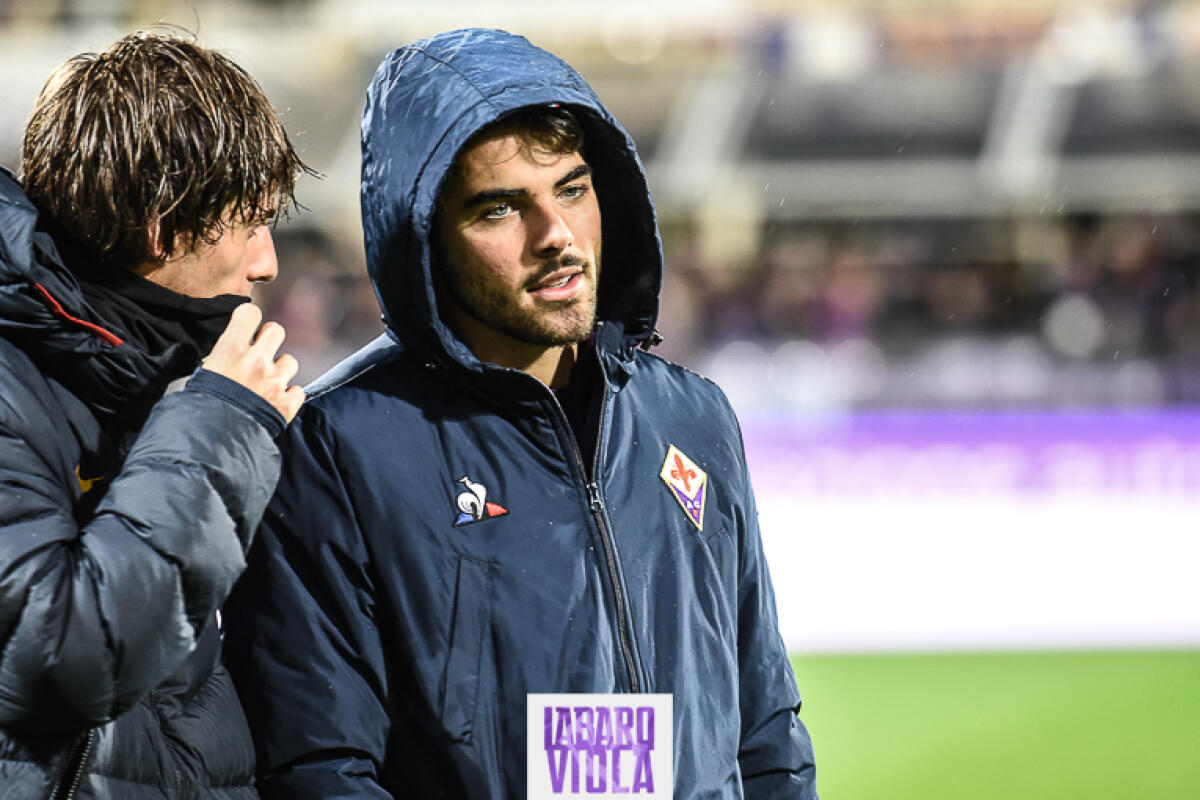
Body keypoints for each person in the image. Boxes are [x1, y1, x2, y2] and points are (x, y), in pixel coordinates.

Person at [224, 28, 817, 798]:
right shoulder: (338, 449)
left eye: (572, 189)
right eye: (500, 209)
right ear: (423, 237)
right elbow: (318, 769)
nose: (557, 237)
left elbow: (765, 728)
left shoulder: (692, 416)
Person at [0, 33, 307, 798]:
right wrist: (220, 427)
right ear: (163, 229)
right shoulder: (17, 384)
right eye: (252, 221)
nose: (266, 261)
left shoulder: (133, 368)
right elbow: (60, 657)